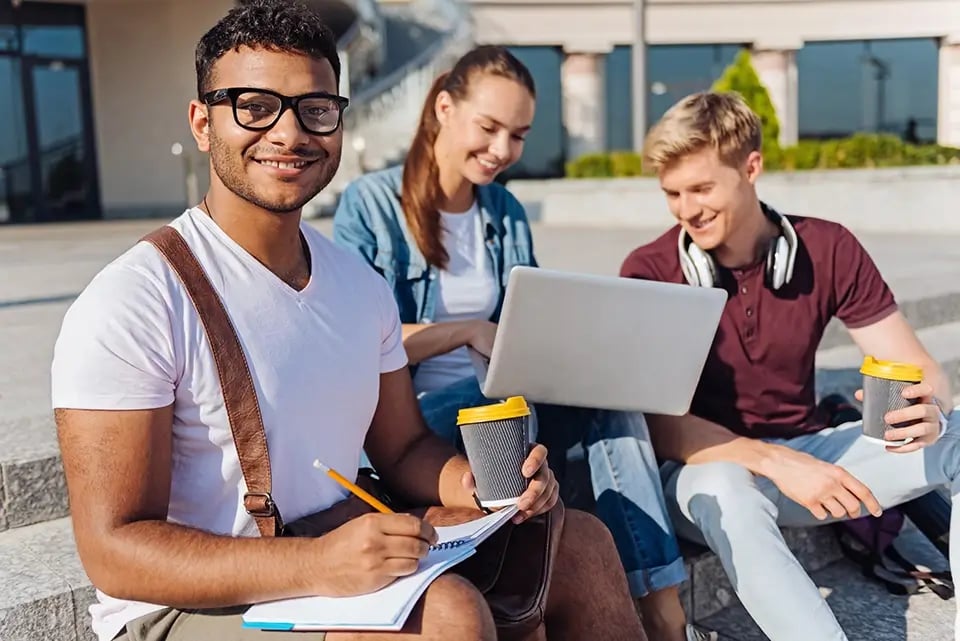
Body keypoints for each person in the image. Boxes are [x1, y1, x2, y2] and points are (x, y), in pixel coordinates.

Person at [49, 3, 647, 641]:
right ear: (202, 123)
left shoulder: (358, 287)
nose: (288, 133)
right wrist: (315, 564)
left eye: (315, 109)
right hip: (190, 606)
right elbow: (114, 551)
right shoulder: (136, 300)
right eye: (253, 106)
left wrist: (479, 487)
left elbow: (404, 449)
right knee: (448, 614)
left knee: (577, 542)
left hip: (333, 543)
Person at [332, 45, 715, 641]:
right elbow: (359, 342)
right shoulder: (373, 204)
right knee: (516, 414)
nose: (502, 150)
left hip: (502, 393)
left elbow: (529, 319)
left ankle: (665, 615)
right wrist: (464, 331)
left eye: (518, 135)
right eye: (489, 127)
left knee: (609, 401)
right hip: (419, 416)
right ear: (443, 108)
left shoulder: (504, 209)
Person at [620, 90, 959, 641]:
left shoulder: (829, 247)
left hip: (807, 458)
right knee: (731, 487)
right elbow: (656, 425)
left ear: (751, 168)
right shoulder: (649, 270)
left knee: (959, 432)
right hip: (705, 468)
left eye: (702, 188)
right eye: (672, 194)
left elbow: (917, 368)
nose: (686, 210)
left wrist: (931, 408)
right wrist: (775, 462)